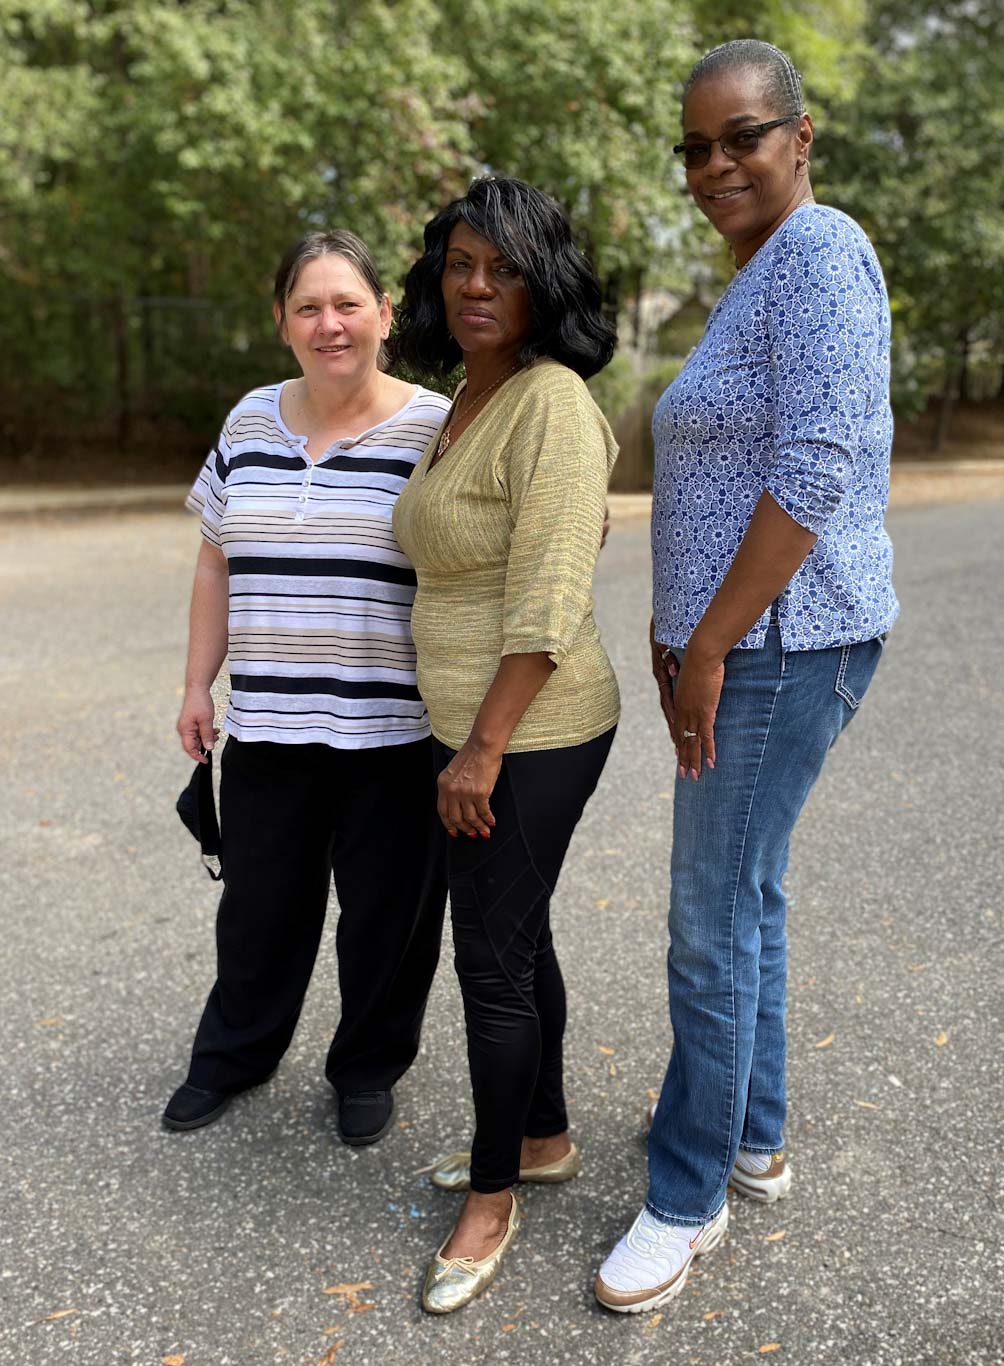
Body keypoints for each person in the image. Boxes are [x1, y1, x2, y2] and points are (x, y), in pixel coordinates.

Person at [595, 41, 899, 1313]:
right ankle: (753, 1134)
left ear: (800, 136)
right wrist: (684, 632)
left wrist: (708, 641)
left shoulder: (822, 253)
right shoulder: (756, 276)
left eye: (741, 137)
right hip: (745, 642)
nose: (714, 164)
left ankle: (686, 1196)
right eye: (695, 147)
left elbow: (814, 468)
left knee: (708, 915)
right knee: (748, 895)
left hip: (781, 643)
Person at [164, 230, 450, 1146]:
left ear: (385, 314)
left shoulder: (440, 426)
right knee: (258, 911)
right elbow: (216, 563)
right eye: (308, 308)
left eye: (347, 304)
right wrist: (196, 685)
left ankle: (366, 1069)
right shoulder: (249, 420)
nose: (330, 324)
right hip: (270, 723)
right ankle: (233, 1057)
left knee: (388, 922)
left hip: (396, 731)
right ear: (283, 322)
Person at [391, 175, 619, 1313]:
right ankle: (540, 1134)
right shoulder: (463, 400)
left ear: (545, 287)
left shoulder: (553, 405)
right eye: (462, 264)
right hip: (474, 727)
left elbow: (545, 598)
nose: (479, 285)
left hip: (532, 727)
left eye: (507, 268)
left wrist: (477, 751)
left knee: (487, 958)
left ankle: (490, 1196)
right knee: (516, 938)